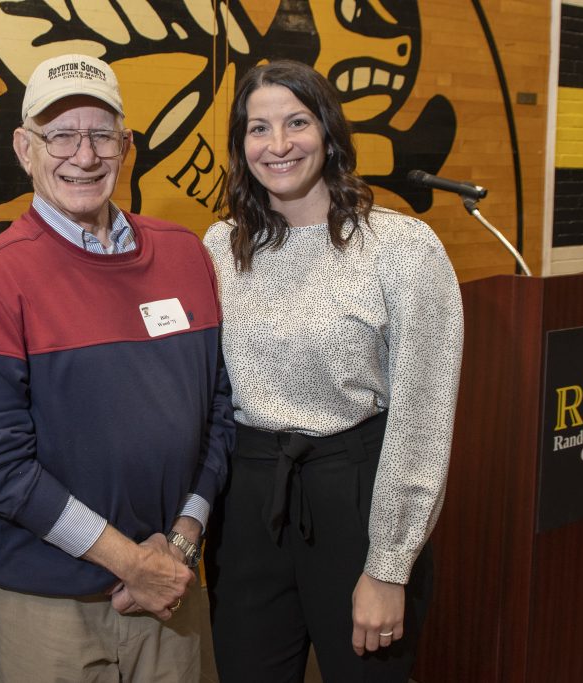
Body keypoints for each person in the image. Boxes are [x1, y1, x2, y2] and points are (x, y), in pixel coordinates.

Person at [0, 53, 233, 682]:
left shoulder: (186, 254)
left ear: (126, 146)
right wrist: (130, 562)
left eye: (102, 134)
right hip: (48, 610)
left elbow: (219, 412)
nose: (84, 155)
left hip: (172, 591)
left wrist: (182, 541)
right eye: (61, 135)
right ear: (25, 149)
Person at [202, 60, 463, 682]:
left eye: (296, 122)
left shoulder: (401, 247)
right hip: (248, 508)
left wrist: (388, 567)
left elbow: (423, 416)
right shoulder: (218, 247)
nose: (279, 144)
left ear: (328, 131)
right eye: (258, 128)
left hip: (358, 500)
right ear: (242, 145)